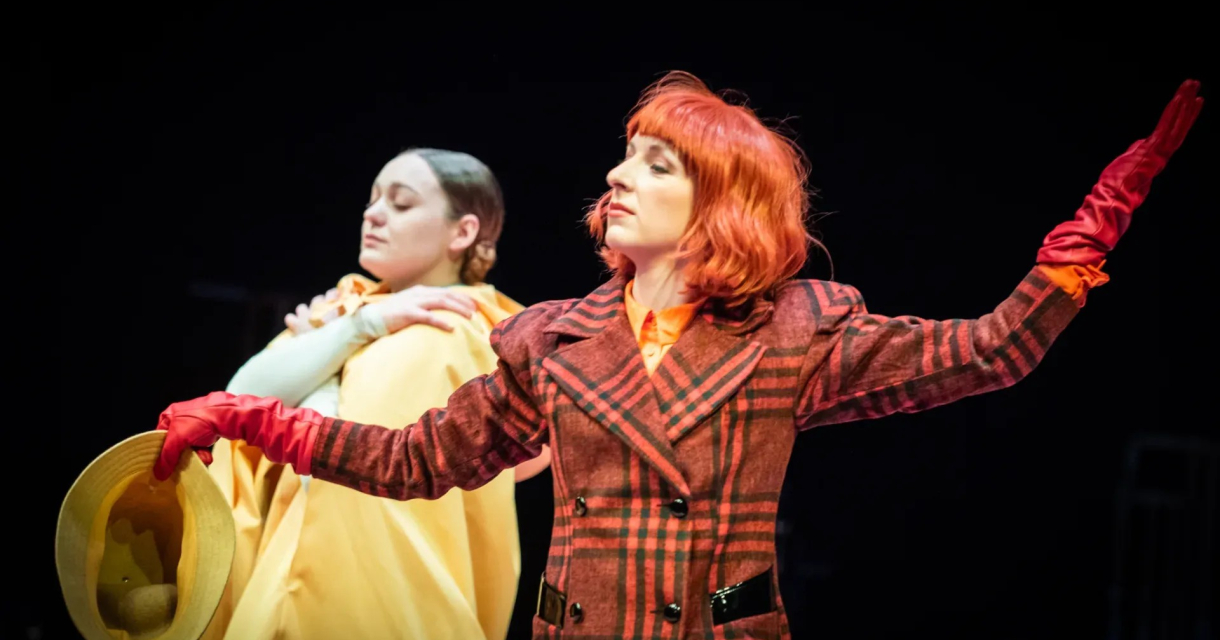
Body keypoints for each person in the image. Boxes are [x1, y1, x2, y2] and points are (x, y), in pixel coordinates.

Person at [152, 74, 1202, 639]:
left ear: (715, 206)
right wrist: (255, 419)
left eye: (654, 163)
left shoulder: (796, 330)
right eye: (623, 153)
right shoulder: (548, 339)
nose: (615, 173)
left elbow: (985, 354)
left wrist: (1082, 244)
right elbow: (413, 461)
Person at [198, 147, 544, 640]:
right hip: (288, 583)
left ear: (463, 232)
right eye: (373, 199)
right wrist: (358, 326)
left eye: (401, 204)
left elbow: (531, 456)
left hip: (393, 594)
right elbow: (239, 402)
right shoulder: (344, 311)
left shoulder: (468, 328)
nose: (373, 214)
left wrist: (329, 357)